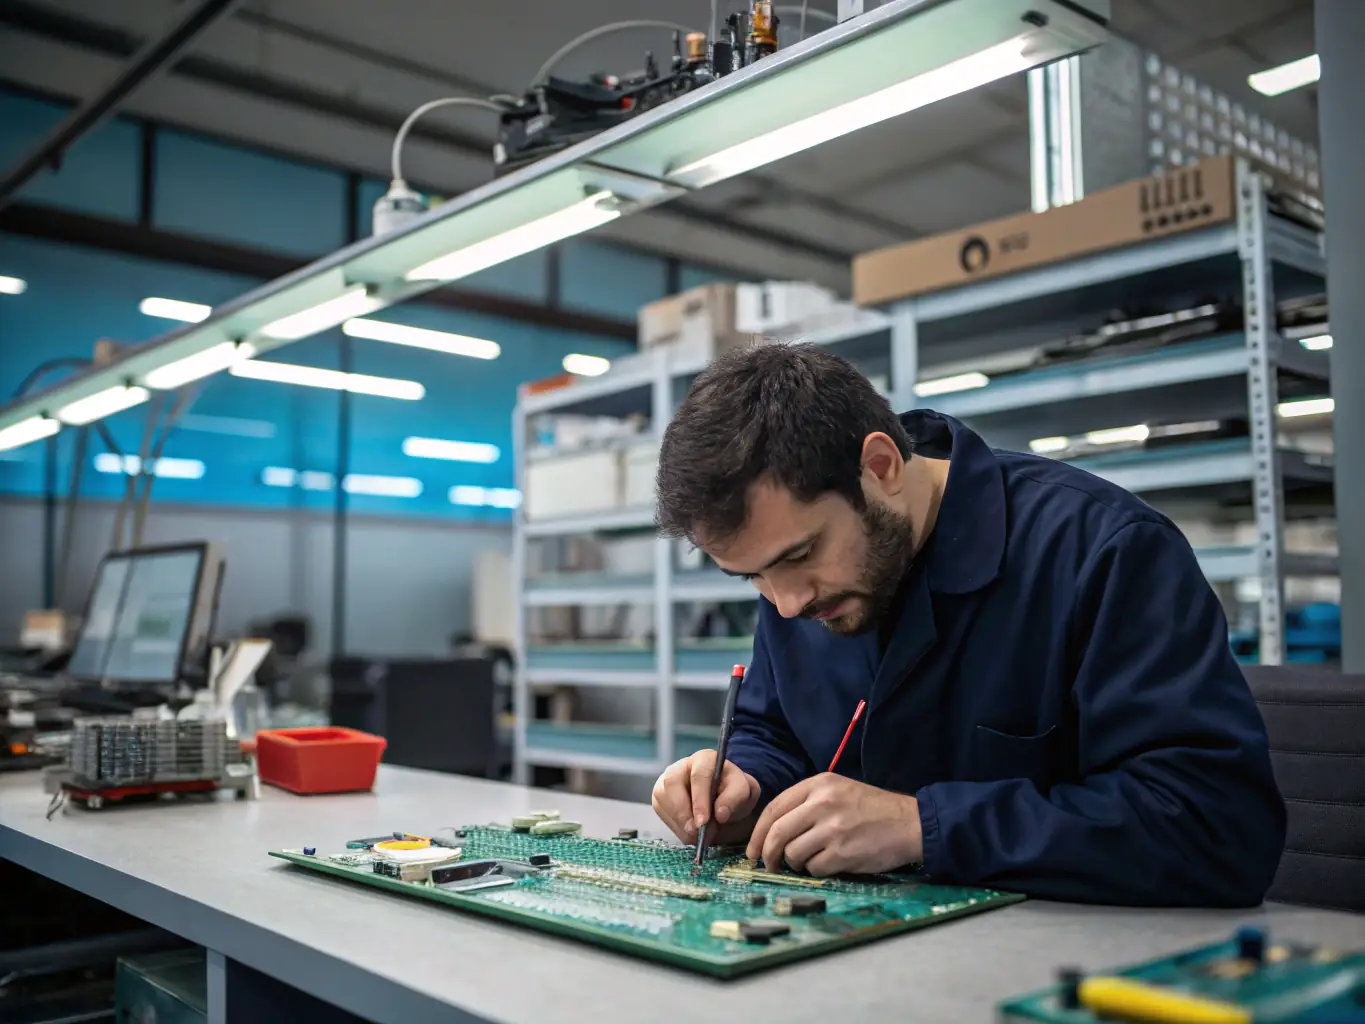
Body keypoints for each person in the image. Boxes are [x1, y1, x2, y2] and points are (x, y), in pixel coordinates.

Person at [649, 343, 1285, 907]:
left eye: (798, 556)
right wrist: (743, 785)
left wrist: (922, 827)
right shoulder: (800, 581)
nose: (785, 605)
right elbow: (777, 731)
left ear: (880, 467)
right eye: (752, 577)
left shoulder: (1104, 552)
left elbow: (1215, 827)